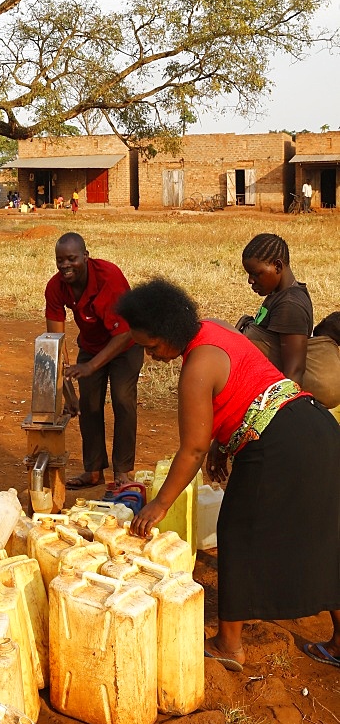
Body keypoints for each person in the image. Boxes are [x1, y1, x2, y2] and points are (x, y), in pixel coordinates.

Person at [119, 277, 340, 673]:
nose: (150, 356)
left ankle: (228, 644)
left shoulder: (195, 371)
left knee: (238, 532)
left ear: (169, 333)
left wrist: (159, 504)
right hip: (318, 428)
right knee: (325, 533)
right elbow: (243, 384)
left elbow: (192, 448)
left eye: (151, 347)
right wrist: (225, 444)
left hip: (279, 445)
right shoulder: (216, 328)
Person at [45, 232, 143, 489]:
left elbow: (124, 332)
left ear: (86, 256)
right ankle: (93, 470)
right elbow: (55, 342)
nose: (65, 265)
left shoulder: (109, 277)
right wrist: (67, 393)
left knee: (123, 401)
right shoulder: (56, 287)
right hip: (90, 345)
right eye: (60, 260)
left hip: (125, 345)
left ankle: (123, 471)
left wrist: (90, 366)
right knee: (89, 405)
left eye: (71, 258)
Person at [241, 233, 312, 385]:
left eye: (256, 273)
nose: (250, 280)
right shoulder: (278, 294)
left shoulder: (290, 305)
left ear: (277, 266)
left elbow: (294, 372)